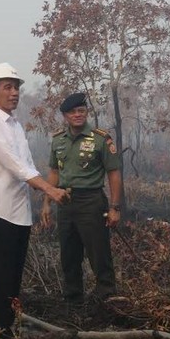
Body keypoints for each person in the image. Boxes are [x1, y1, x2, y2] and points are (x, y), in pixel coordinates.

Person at [0, 63, 69, 338]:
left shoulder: (16, 126)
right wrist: (50, 191)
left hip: (20, 211)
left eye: (16, 87)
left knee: (15, 273)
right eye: (7, 87)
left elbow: (28, 165)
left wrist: (44, 196)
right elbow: (15, 165)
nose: (14, 92)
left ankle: (9, 323)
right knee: (0, 275)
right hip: (0, 211)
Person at [40, 92, 122, 305]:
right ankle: (73, 299)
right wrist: (47, 203)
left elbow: (113, 173)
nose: (77, 115)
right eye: (72, 112)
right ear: (65, 116)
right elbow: (54, 173)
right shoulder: (58, 140)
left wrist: (115, 207)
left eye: (81, 111)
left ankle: (108, 297)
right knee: (69, 254)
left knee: (99, 252)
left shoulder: (100, 138)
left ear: (86, 113)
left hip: (91, 202)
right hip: (64, 202)